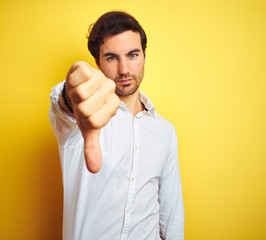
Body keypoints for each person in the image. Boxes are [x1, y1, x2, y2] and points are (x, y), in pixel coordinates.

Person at [49, 11, 184, 240]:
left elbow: (171, 215)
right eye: (111, 57)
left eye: (132, 55)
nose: (123, 69)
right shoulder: (80, 120)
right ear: (97, 62)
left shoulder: (165, 131)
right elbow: (66, 103)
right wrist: (72, 90)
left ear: (144, 55)